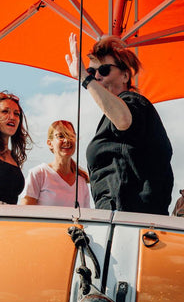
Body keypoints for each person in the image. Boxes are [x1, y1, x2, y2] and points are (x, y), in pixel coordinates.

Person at [66, 33, 173, 214]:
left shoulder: (134, 102)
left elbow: (124, 120)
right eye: (92, 71)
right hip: (116, 216)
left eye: (104, 70)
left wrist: (85, 78)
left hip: (132, 218)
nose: (96, 76)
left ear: (125, 76)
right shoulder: (109, 116)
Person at [22, 120, 92, 207]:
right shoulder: (38, 174)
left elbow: (84, 218)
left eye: (70, 136)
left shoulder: (82, 183)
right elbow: (26, 215)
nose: (66, 140)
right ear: (50, 143)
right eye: (61, 136)